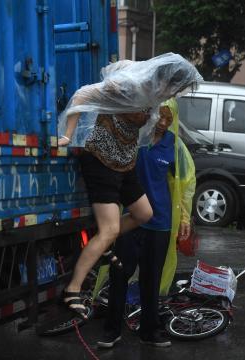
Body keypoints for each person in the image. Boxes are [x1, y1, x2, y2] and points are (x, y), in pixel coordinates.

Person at [58, 54, 202, 318]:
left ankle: (102, 243)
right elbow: (81, 96)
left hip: (125, 163)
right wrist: (67, 135)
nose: (175, 93)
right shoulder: (127, 86)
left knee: (144, 214)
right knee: (110, 228)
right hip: (101, 161)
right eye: (176, 88)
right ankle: (73, 289)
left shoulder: (155, 97)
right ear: (165, 80)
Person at [97, 99, 196, 348]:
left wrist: (184, 217)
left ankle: (149, 331)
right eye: (159, 116)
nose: (163, 122)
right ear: (150, 114)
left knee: (151, 279)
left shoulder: (174, 146)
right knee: (120, 274)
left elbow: (185, 183)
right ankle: (112, 330)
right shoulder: (134, 137)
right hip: (130, 220)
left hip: (159, 222)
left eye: (168, 118)